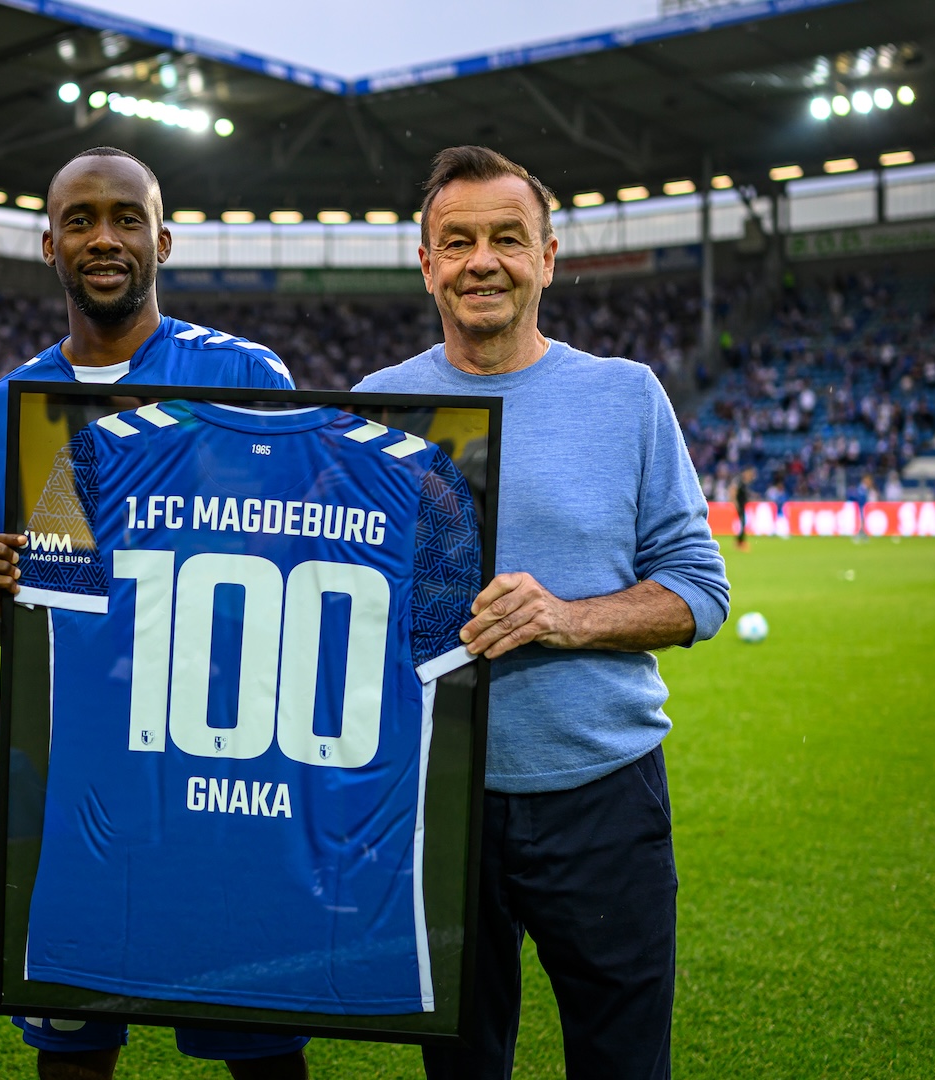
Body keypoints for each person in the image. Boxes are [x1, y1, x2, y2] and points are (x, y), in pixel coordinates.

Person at [352, 146, 730, 1080]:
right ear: (427, 263)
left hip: (602, 796)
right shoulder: (370, 411)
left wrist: (565, 618)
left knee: (623, 1063)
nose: (484, 260)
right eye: (459, 240)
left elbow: (701, 589)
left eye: (507, 239)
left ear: (549, 257)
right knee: (462, 1065)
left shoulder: (626, 395)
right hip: (436, 799)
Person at [0, 147, 310, 1080]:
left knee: (260, 1050)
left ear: (162, 237)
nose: (103, 237)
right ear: (48, 244)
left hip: (222, 777)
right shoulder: (3, 413)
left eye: (125, 218)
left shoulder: (245, 376)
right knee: (74, 1050)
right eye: (80, 220)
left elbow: (301, 568)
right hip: (79, 782)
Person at [733, 466, 753, 551]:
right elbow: (733, 490)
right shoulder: (739, 481)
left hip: (743, 505)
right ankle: (740, 542)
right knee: (743, 523)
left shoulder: (744, 482)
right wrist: (735, 502)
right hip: (740, 505)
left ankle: (740, 541)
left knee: (743, 523)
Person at [849, 472, 872, 543]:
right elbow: (859, 498)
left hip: (863, 507)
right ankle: (860, 535)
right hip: (861, 507)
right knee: (861, 521)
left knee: (862, 521)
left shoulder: (864, 488)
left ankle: (862, 534)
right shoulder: (861, 488)